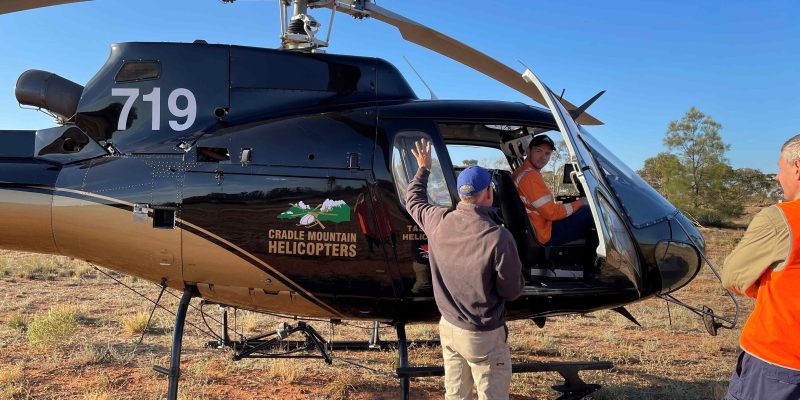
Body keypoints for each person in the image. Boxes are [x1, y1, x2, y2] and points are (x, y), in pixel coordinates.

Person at [405, 138, 524, 400]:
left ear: (461, 195)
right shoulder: (498, 237)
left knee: (456, 395)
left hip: (449, 327)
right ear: (489, 193)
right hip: (483, 334)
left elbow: (413, 200)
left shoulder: (438, 220)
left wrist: (423, 169)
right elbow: (511, 290)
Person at [721, 134, 800, 400]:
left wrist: (766, 286)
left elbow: (733, 276)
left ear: (797, 167)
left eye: (780, 167)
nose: (778, 177)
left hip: (778, 363)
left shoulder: (780, 218)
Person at [512, 134, 593, 245]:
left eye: (547, 153)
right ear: (528, 151)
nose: (543, 157)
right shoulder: (529, 176)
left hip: (537, 228)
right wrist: (581, 202)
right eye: (538, 151)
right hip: (544, 234)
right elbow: (552, 213)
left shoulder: (522, 172)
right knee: (591, 213)